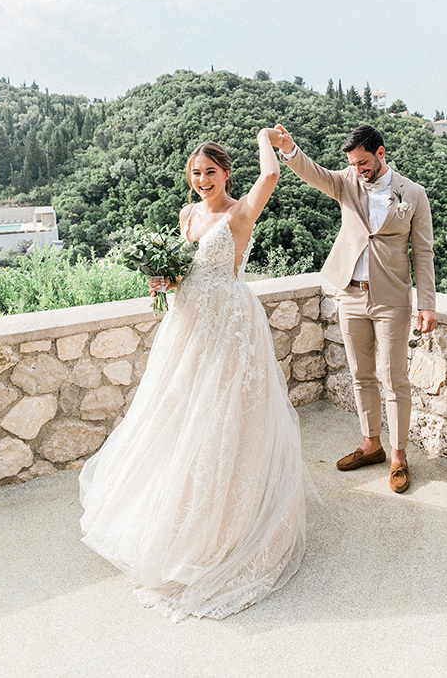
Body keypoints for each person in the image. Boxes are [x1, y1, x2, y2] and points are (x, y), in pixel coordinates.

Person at [79, 129, 319, 622]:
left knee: (223, 413)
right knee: (179, 411)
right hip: (186, 321)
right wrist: (164, 277)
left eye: (211, 172)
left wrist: (263, 137)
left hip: (228, 324)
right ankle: (173, 513)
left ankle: (229, 522)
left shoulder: (239, 214)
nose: (203, 179)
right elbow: (184, 270)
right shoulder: (188, 215)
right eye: (196, 173)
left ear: (226, 174)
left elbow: (271, 173)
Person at [273, 123, 437, 493]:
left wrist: (426, 303)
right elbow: (313, 173)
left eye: (364, 163)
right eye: (353, 164)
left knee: (394, 379)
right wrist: (289, 148)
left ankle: (398, 456)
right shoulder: (347, 181)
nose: (358, 170)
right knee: (361, 375)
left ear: (381, 154)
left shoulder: (413, 193)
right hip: (350, 293)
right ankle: (371, 445)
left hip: (392, 299)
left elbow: (423, 253)